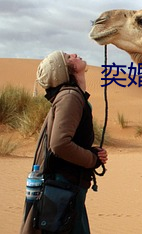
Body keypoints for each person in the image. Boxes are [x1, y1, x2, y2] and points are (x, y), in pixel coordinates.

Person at [22, 50, 108, 234]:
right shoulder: (70, 97)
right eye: (69, 57)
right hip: (64, 190)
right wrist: (91, 159)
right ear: (65, 70)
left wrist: (90, 151)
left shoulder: (72, 95)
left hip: (67, 190)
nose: (75, 55)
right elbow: (60, 144)